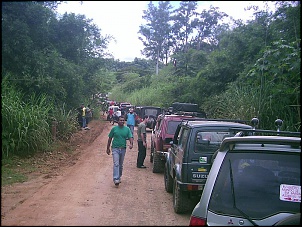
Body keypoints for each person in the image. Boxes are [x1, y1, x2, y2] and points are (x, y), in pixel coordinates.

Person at [106, 116, 134, 186]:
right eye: (120, 120)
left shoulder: (127, 129)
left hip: (123, 148)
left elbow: (130, 137)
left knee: (120, 165)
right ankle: (116, 179)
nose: (122, 121)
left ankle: (119, 176)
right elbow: (110, 138)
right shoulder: (114, 129)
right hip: (115, 148)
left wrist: (131, 144)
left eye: (123, 120)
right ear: (118, 121)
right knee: (116, 164)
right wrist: (108, 148)